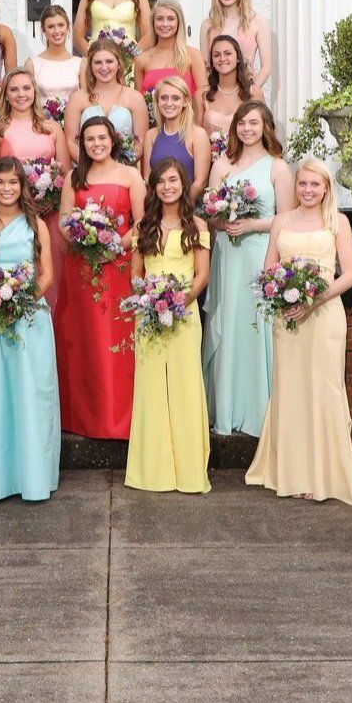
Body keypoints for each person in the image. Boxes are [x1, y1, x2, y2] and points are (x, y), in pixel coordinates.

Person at [246, 160, 352, 503]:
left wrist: (314, 300)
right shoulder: (281, 220)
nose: (308, 190)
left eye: (315, 184)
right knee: (292, 389)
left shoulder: (337, 221)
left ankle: (323, 476)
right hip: (288, 316)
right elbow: (269, 268)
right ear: (295, 186)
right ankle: (291, 473)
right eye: (303, 184)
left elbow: (350, 274)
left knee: (324, 388)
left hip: (324, 315)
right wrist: (278, 294)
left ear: (326, 187)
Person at [0, 158, 61, 501]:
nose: (6, 189)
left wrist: (19, 303)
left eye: (13, 183)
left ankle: (32, 478)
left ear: (22, 187)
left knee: (31, 394)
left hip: (29, 319)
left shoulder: (36, 225)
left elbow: (46, 274)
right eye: (0, 183)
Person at [201, 101, 295, 436]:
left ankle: (260, 411)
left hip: (260, 255)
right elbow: (210, 214)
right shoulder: (222, 163)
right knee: (228, 325)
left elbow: (287, 218)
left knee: (256, 327)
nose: (247, 129)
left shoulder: (278, 168)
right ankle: (225, 408)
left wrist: (252, 224)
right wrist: (223, 216)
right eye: (241, 123)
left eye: (253, 123)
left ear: (265, 126)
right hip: (228, 255)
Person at [54, 116, 145, 439]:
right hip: (82, 267)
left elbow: (143, 222)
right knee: (84, 340)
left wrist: (114, 245)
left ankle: (120, 417)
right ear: (82, 143)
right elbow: (64, 220)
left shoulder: (130, 175)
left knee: (115, 342)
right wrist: (82, 240)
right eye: (90, 139)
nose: (96, 144)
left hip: (119, 266)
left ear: (112, 140)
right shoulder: (74, 178)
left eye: (102, 138)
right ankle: (83, 417)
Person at [125, 159, 212, 494]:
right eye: (160, 181)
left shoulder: (197, 225)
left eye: (173, 180)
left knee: (185, 385)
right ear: (154, 187)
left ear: (183, 183)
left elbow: (201, 274)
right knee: (150, 389)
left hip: (184, 315)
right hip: (148, 315)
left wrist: (179, 302)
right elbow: (136, 272)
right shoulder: (143, 226)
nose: (167, 187)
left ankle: (188, 469)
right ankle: (152, 469)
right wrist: (148, 298)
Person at [0, 68, 70, 309]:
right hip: (11, 218)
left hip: (47, 216)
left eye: (26, 88)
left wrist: (51, 197)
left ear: (34, 92)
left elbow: (65, 174)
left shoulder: (52, 128)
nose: (21, 94)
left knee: (51, 278)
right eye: (14, 89)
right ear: (6, 95)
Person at [64, 37, 149, 163]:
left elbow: (140, 144)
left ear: (119, 64)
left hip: (124, 173)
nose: (104, 67)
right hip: (88, 173)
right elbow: (71, 142)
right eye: (98, 62)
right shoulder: (78, 98)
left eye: (109, 61)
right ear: (90, 65)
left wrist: (117, 167)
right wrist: (90, 167)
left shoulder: (135, 98)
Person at [199, 0, 273, 92]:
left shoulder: (258, 21)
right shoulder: (207, 26)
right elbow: (205, 69)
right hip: (218, 98)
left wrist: (249, 92)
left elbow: (266, 68)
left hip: (246, 98)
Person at [133, 0, 208, 117]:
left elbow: (203, 99)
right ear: (153, 22)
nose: (165, 24)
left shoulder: (193, 56)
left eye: (170, 19)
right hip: (153, 130)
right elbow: (137, 104)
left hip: (187, 128)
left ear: (179, 22)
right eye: (159, 19)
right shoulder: (142, 59)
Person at [142, 74, 211, 202]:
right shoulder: (151, 135)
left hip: (188, 211)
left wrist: (178, 211)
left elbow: (200, 182)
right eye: (164, 98)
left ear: (185, 101)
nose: (169, 103)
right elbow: (147, 179)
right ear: (157, 101)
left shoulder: (197, 134)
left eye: (175, 98)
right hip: (157, 211)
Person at [200, 34, 264, 141]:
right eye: (216, 55)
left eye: (228, 53)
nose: (222, 59)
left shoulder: (254, 93)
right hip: (210, 156)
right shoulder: (201, 95)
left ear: (238, 58)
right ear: (212, 61)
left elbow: (266, 132)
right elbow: (194, 136)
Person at [25, 4, 83, 105]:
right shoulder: (32, 64)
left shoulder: (80, 64)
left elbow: (85, 100)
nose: (57, 31)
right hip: (42, 119)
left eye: (61, 25)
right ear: (44, 30)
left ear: (68, 27)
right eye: (51, 26)